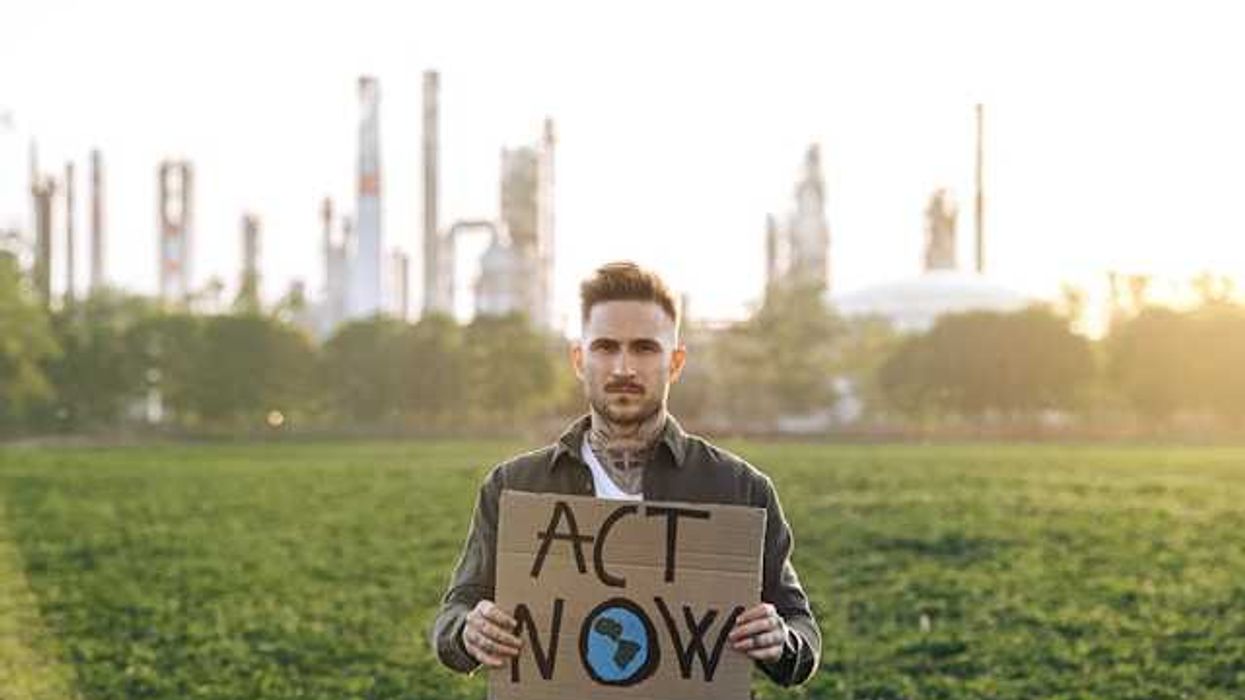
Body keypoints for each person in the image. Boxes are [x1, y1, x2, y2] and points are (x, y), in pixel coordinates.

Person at [430, 261, 821, 688]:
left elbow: (800, 627)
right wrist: (468, 632)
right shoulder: (513, 488)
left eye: (644, 348)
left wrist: (781, 641)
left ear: (675, 362)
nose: (623, 368)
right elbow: (456, 612)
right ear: (579, 360)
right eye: (605, 347)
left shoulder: (741, 491)